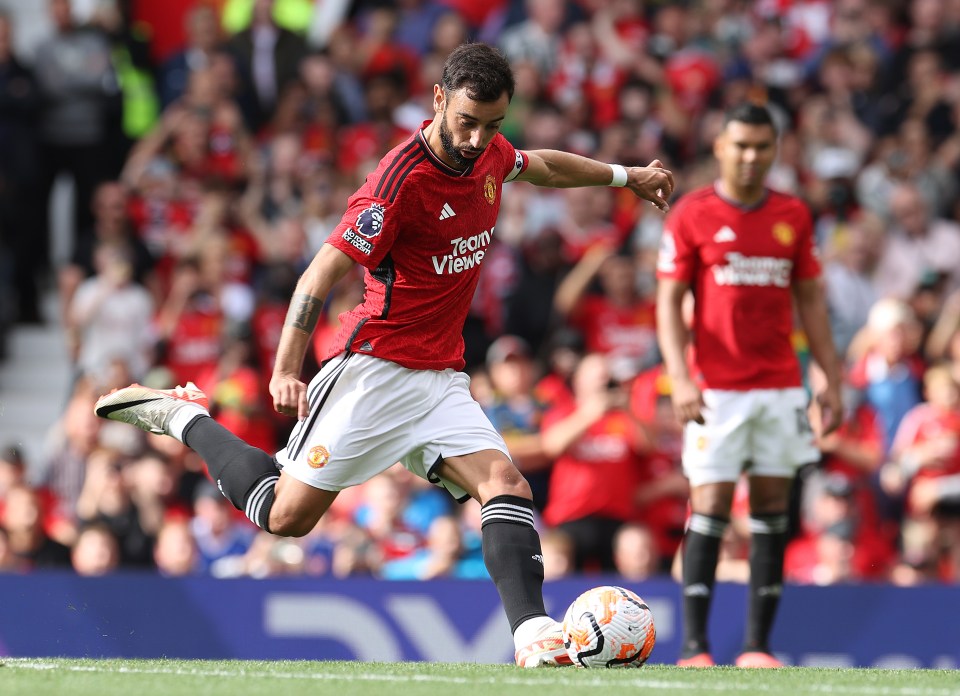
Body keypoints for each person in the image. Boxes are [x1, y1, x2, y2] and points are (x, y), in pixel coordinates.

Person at [93, 42, 674, 667]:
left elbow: (543, 167)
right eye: (467, 122)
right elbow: (318, 276)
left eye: (493, 125)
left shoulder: (490, 153)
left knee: (507, 484)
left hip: (441, 376)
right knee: (285, 517)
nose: (479, 139)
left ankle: (533, 637)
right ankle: (179, 416)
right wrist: (287, 366)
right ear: (438, 100)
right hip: (372, 371)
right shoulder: (399, 182)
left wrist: (625, 177)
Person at [655, 102, 842, 668]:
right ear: (720, 147)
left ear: (775, 150)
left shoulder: (793, 214)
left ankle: (757, 647)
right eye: (740, 145)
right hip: (716, 388)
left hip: (782, 385)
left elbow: (810, 298)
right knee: (708, 505)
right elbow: (667, 301)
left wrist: (830, 378)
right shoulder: (691, 213)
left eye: (762, 146)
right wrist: (680, 375)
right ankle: (695, 648)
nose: (751, 157)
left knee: (770, 510)